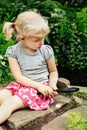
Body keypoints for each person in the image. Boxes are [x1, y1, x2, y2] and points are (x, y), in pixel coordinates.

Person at [0, 11, 58, 124]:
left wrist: (52, 85)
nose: (41, 43)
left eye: (43, 38)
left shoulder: (45, 50)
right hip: (22, 85)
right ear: (22, 38)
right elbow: (19, 77)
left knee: (9, 104)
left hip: (39, 91)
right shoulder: (13, 51)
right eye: (37, 40)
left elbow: (53, 71)